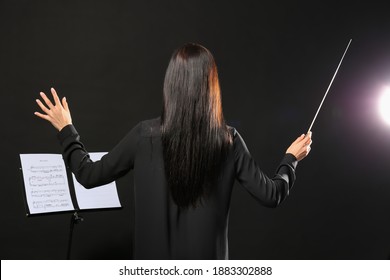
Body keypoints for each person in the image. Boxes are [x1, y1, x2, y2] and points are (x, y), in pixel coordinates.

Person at [34, 43, 312, 260]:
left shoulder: (144, 135)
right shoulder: (229, 140)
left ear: (171, 84)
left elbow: (88, 174)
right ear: (211, 87)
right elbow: (272, 194)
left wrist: (66, 129)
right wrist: (291, 160)